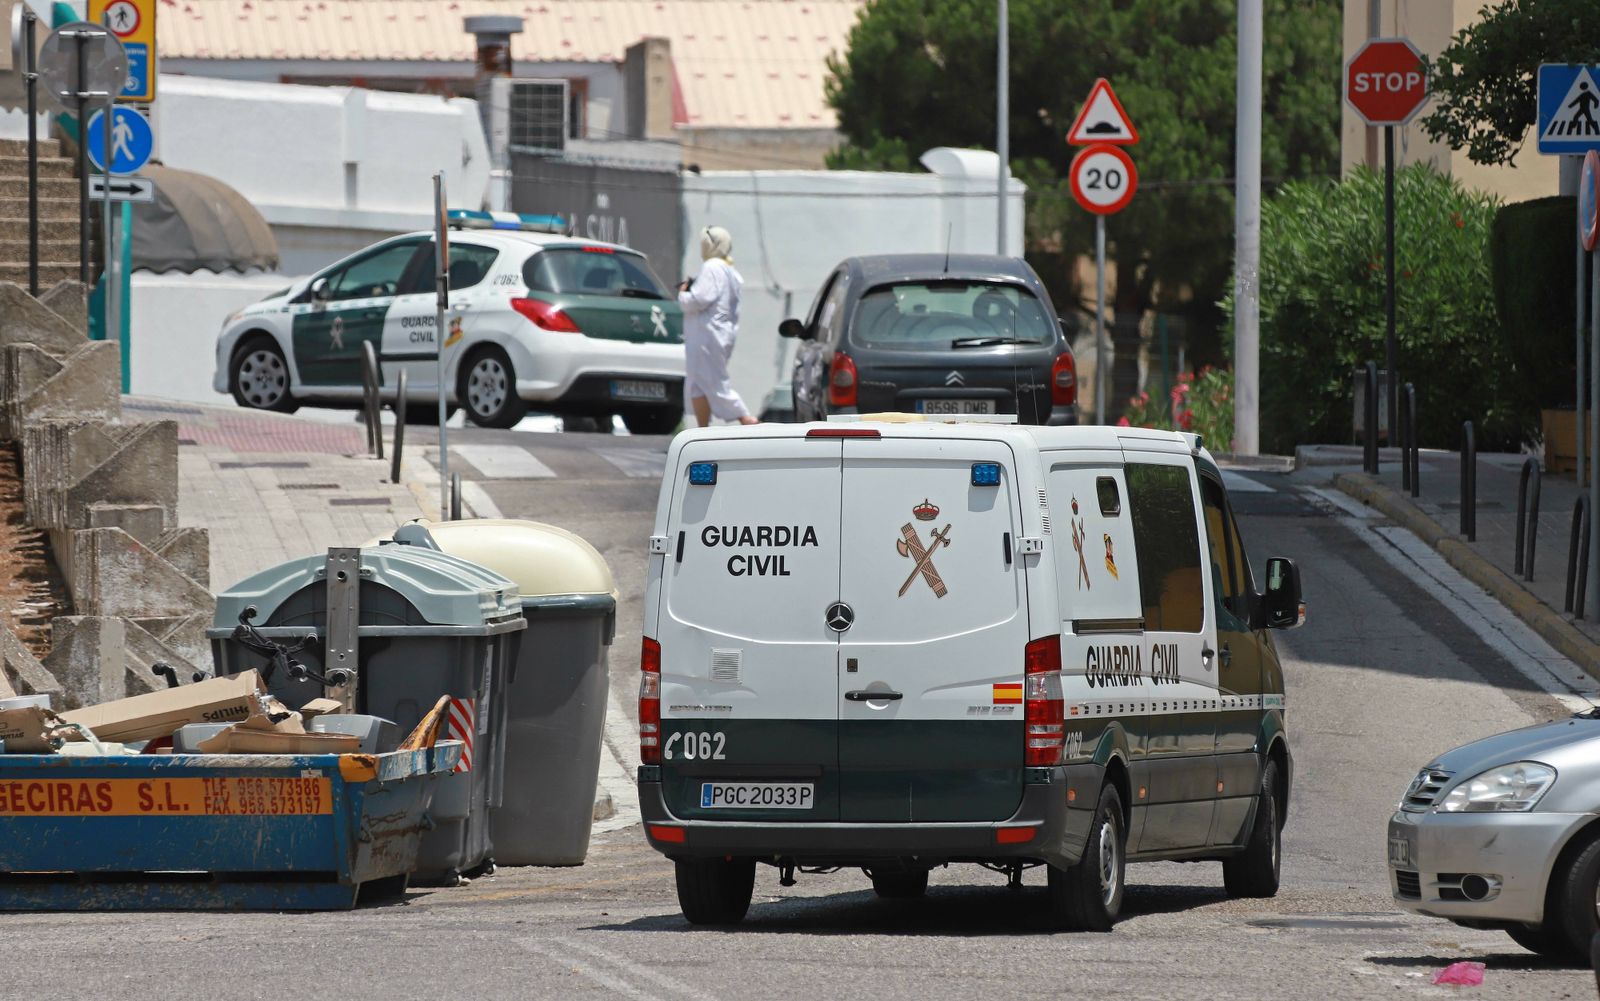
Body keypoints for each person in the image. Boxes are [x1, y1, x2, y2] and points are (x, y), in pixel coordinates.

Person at [679, 226, 758, 427]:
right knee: (698, 385)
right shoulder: (729, 270)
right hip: (718, 334)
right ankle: (703, 429)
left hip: (707, 335)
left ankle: (745, 417)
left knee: (714, 382)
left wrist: (683, 294)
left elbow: (700, 298)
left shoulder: (712, 266)